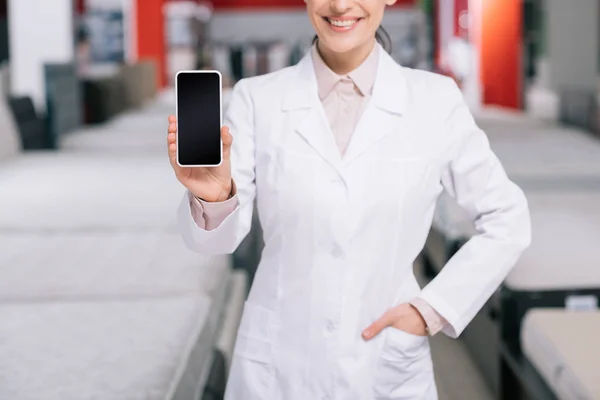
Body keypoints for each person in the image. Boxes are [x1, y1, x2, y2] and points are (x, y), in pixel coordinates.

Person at [166, 0, 531, 398]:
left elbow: (508, 219)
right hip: (279, 367)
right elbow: (217, 241)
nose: (341, 5)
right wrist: (216, 200)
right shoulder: (258, 100)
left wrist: (432, 310)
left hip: (384, 363)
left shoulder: (435, 101)